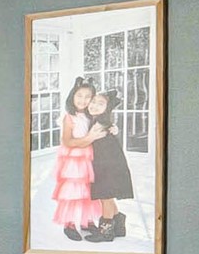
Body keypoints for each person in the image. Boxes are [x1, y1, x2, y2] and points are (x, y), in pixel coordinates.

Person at [51, 77, 100, 241]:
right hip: (74, 160)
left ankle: (87, 221)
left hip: (89, 159)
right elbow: (67, 141)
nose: (83, 100)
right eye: (79, 96)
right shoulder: (69, 117)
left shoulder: (92, 116)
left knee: (89, 190)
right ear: (72, 96)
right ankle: (69, 223)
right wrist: (87, 140)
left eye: (88, 97)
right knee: (73, 191)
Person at [85, 89, 136, 242]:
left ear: (107, 108)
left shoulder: (101, 121)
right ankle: (118, 223)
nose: (94, 105)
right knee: (107, 195)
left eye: (100, 104)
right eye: (93, 102)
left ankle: (105, 232)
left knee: (105, 197)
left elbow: (88, 139)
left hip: (107, 165)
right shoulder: (99, 119)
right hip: (108, 163)